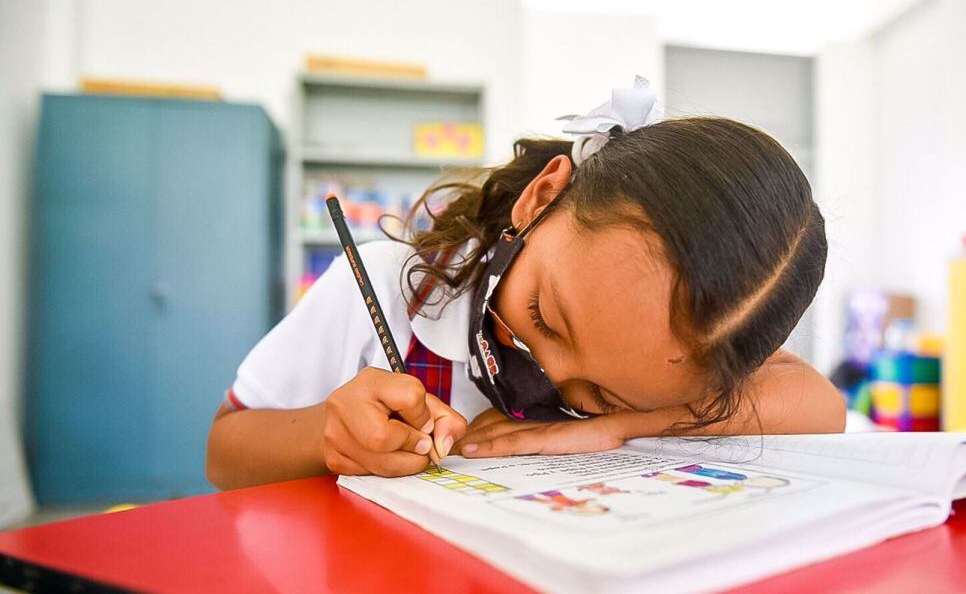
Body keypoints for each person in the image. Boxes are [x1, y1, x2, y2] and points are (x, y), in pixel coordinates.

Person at [206, 78, 844, 490]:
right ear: (540, 198)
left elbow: (821, 406)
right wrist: (326, 433)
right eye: (544, 315)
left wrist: (605, 428)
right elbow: (224, 452)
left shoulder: (681, 356)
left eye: (603, 393)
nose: (545, 370)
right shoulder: (384, 287)